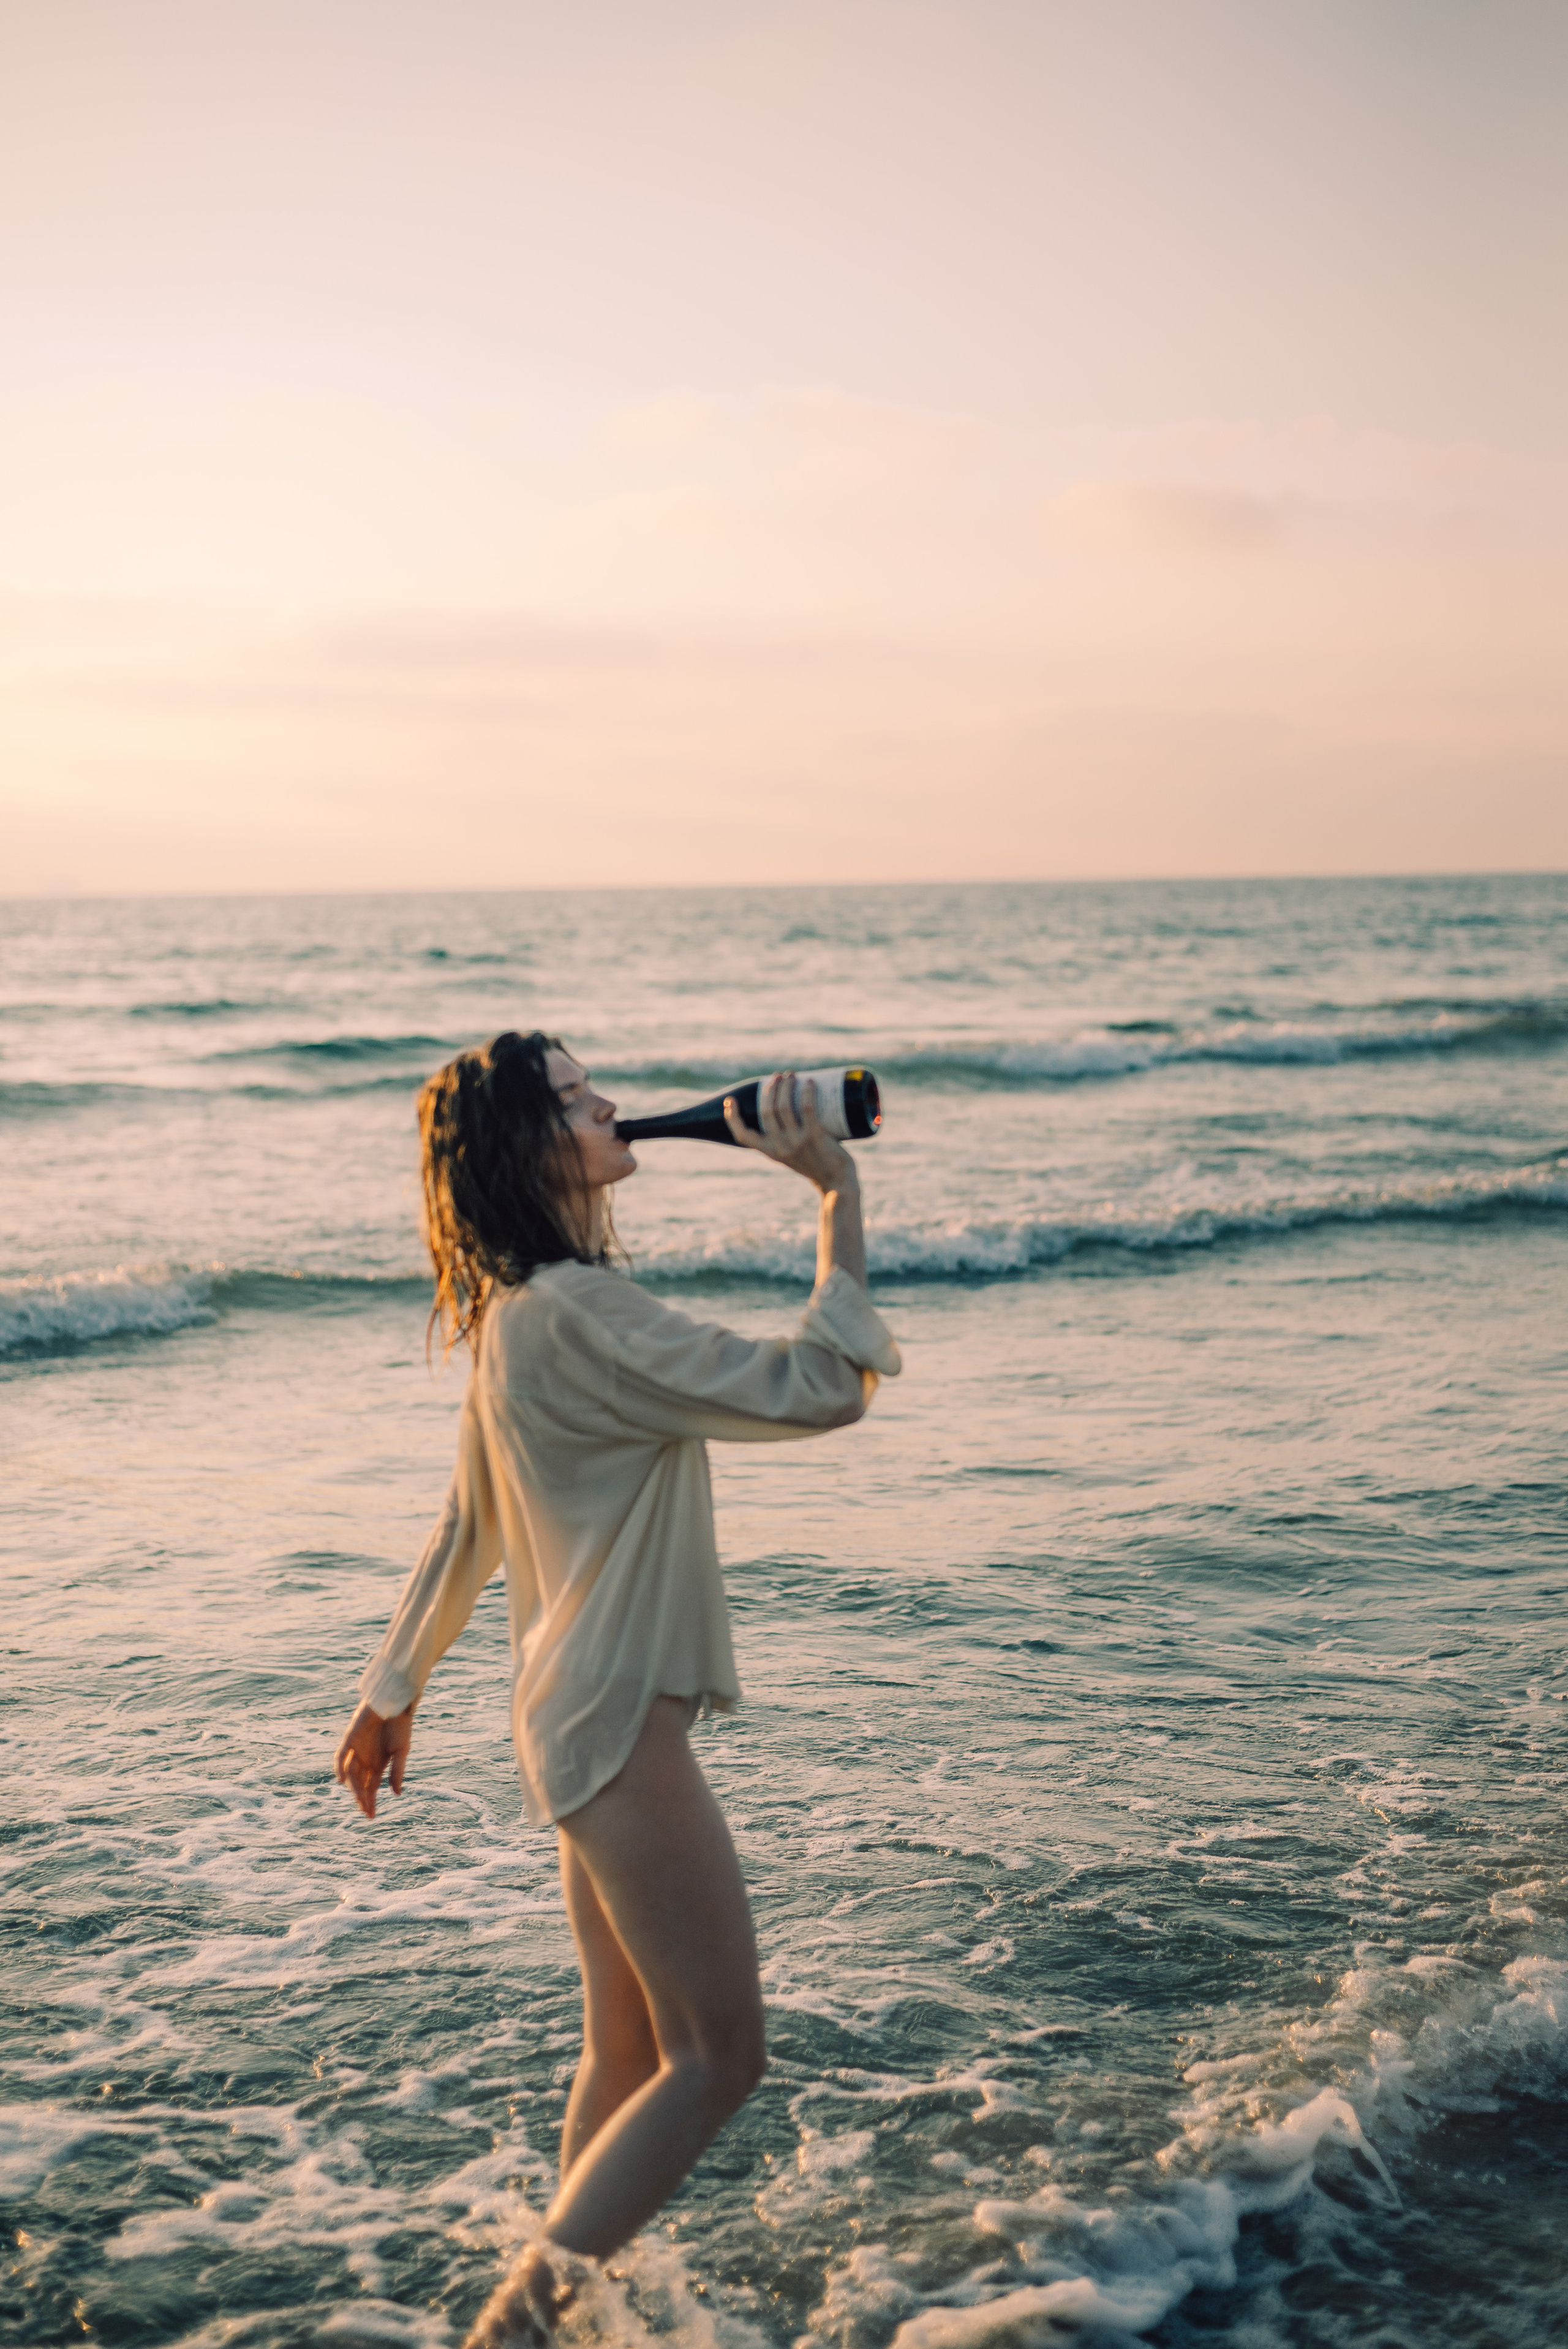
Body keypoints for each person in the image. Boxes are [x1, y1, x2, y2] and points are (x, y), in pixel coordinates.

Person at [333, 1030, 899, 2345]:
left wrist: (393, 1686)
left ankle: (566, 2319)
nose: (614, 1111)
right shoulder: (584, 1314)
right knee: (719, 2057)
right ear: (532, 1151)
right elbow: (817, 1391)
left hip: (565, 1723)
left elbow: (464, 1525)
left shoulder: (515, 1316)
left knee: (631, 2056)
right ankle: (514, 2328)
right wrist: (835, 1202)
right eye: (580, 1102)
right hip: (614, 1732)